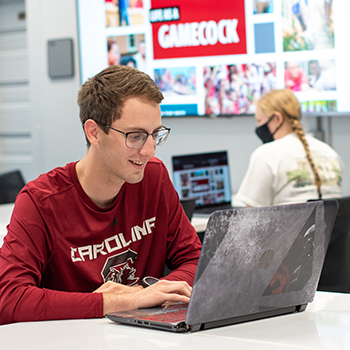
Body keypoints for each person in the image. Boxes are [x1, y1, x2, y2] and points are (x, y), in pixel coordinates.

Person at [0, 65, 202, 325]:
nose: (150, 150)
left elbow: (195, 259)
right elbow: (9, 299)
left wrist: (143, 294)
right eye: (136, 136)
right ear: (94, 132)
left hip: (141, 337)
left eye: (155, 135)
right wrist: (121, 302)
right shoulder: (41, 201)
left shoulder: (154, 177)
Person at [235, 88, 344, 207]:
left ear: (277, 119)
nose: (258, 126)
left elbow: (251, 217)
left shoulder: (265, 155)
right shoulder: (330, 153)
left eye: (259, 120)